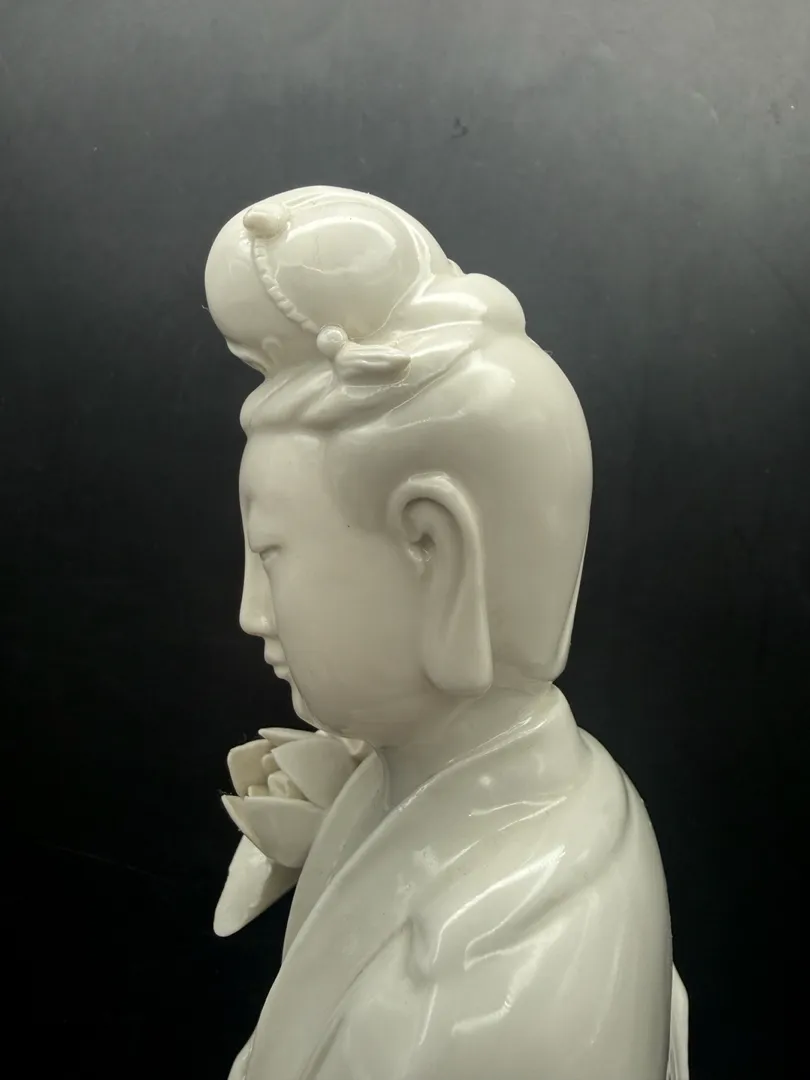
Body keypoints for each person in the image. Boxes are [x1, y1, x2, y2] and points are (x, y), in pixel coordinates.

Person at [204, 186, 688, 1080]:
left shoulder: (487, 1004)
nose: (251, 612)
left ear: (435, 549)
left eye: (270, 555)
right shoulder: (511, 788)